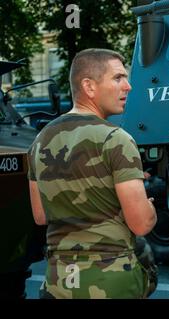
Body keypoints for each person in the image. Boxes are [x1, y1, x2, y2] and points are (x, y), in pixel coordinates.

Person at [27, 48, 157, 299]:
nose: (128, 86)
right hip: (110, 278)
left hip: (59, 280)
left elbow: (41, 215)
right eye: (118, 78)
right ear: (89, 86)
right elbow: (141, 223)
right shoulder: (116, 139)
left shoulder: (40, 141)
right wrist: (148, 205)